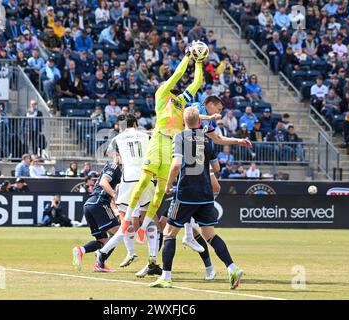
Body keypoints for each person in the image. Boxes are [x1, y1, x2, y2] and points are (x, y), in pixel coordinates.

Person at [121, 45, 251, 243]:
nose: (172, 83)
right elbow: (177, 74)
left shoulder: (182, 102)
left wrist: (199, 63)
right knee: (144, 181)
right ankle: (128, 219)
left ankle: (145, 226)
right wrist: (187, 56)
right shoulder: (162, 95)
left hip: (172, 145)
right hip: (158, 140)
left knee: (160, 191)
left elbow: (197, 82)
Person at [150, 107, 243, 289]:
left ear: (184, 121)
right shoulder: (207, 140)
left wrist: (169, 184)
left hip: (186, 194)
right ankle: (232, 268)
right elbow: (216, 168)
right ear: (199, 122)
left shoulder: (180, 137)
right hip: (205, 194)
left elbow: (176, 165)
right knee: (210, 235)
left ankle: (166, 277)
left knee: (169, 233)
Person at [95, 114, 160, 276]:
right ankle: (152, 260)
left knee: (126, 222)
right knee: (150, 219)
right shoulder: (147, 135)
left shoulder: (118, 138)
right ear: (136, 123)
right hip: (146, 178)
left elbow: (114, 157)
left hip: (128, 179)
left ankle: (103, 253)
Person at [72, 156, 122, 273]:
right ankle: (100, 263)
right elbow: (104, 183)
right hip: (99, 203)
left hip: (89, 204)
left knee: (103, 241)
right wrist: (115, 195)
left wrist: (116, 211)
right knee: (118, 233)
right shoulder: (113, 167)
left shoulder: (118, 171)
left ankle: (81, 250)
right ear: (117, 156)